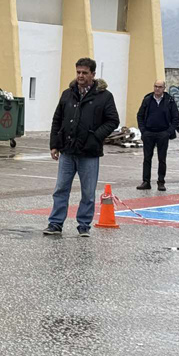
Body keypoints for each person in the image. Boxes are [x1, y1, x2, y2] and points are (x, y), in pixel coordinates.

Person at [44, 57, 119, 237]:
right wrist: (54, 144)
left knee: (88, 192)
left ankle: (84, 225)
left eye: (85, 73)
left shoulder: (104, 96)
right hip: (68, 151)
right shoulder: (67, 94)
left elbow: (113, 121)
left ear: (93, 74)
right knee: (61, 189)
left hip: (89, 153)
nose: (80, 76)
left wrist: (95, 136)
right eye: (78, 72)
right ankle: (55, 223)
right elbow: (57, 120)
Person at [136, 80, 179, 191]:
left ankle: (161, 182)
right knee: (147, 158)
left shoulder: (169, 100)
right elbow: (140, 115)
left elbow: (176, 118)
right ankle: (146, 182)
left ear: (164, 88)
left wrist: (168, 132)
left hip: (163, 133)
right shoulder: (147, 99)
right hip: (148, 133)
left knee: (162, 159)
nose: (157, 89)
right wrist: (143, 131)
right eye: (156, 86)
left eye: (160, 87)